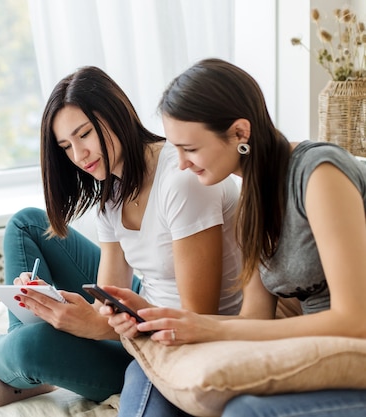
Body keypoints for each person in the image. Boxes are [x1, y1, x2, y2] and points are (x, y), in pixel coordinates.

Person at [0, 65, 242, 408]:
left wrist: (94, 326)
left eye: (85, 134)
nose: (79, 156)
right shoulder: (111, 191)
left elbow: (196, 320)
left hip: (170, 342)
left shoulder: (181, 180)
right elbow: (106, 298)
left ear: (116, 113)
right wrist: (58, 306)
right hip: (141, 309)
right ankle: (22, 369)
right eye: (66, 146)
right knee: (27, 224)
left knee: (32, 346)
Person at [102, 58, 366, 416]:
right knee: (177, 382)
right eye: (175, 148)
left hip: (350, 351)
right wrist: (162, 319)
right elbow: (256, 317)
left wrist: (211, 329)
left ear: (240, 132)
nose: (180, 164)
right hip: (326, 353)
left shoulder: (318, 174)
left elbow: (354, 320)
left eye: (190, 149)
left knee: (244, 411)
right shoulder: (250, 205)